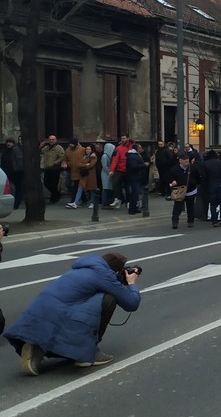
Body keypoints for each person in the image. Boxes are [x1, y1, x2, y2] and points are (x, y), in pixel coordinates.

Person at [3, 252, 141, 375]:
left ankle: (36, 349)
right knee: (108, 299)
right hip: (60, 312)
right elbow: (131, 303)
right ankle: (89, 352)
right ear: (115, 271)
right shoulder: (104, 276)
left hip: (39, 311)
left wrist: (118, 280)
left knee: (73, 305)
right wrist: (131, 283)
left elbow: (103, 282)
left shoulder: (84, 269)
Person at [169, 153, 199, 229]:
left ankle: (190, 221)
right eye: (184, 161)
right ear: (180, 161)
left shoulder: (193, 168)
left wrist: (196, 184)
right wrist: (172, 182)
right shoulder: (174, 169)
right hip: (179, 191)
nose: (186, 162)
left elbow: (198, 177)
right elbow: (169, 178)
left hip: (191, 190)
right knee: (177, 207)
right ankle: (175, 221)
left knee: (190, 207)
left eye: (187, 161)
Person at [200, 149, 221, 227]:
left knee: (213, 203)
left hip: (211, 185)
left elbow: (204, 177)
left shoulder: (205, 164)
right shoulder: (220, 162)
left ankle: (214, 220)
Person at [67, 144, 97, 209]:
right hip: (83, 175)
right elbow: (78, 164)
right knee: (80, 188)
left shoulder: (93, 156)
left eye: (89, 149)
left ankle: (92, 202)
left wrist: (83, 165)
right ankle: (76, 202)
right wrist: (85, 165)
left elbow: (91, 165)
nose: (87, 150)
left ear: (92, 150)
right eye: (86, 149)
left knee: (91, 189)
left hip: (90, 175)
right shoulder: (84, 156)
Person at [108, 134, 132, 209]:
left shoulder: (133, 147)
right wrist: (112, 170)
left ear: (128, 138)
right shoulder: (118, 148)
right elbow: (115, 159)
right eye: (121, 138)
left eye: (124, 138)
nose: (122, 140)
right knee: (115, 182)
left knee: (128, 187)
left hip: (129, 170)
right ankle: (118, 199)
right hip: (120, 169)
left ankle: (129, 201)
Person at [40, 134, 65, 204]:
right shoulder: (46, 148)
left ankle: (54, 198)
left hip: (55, 168)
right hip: (47, 168)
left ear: (56, 140)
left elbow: (62, 157)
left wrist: (55, 163)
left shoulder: (59, 148)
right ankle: (57, 194)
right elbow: (41, 151)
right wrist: (40, 146)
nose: (51, 141)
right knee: (46, 183)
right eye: (50, 139)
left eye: (53, 139)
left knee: (54, 184)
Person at [1, 137, 25, 209]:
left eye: (10, 142)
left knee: (16, 188)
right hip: (7, 172)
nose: (8, 144)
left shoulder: (17, 150)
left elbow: (18, 161)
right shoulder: (5, 151)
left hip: (17, 172)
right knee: (12, 188)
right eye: (7, 142)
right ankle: (14, 203)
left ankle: (16, 203)